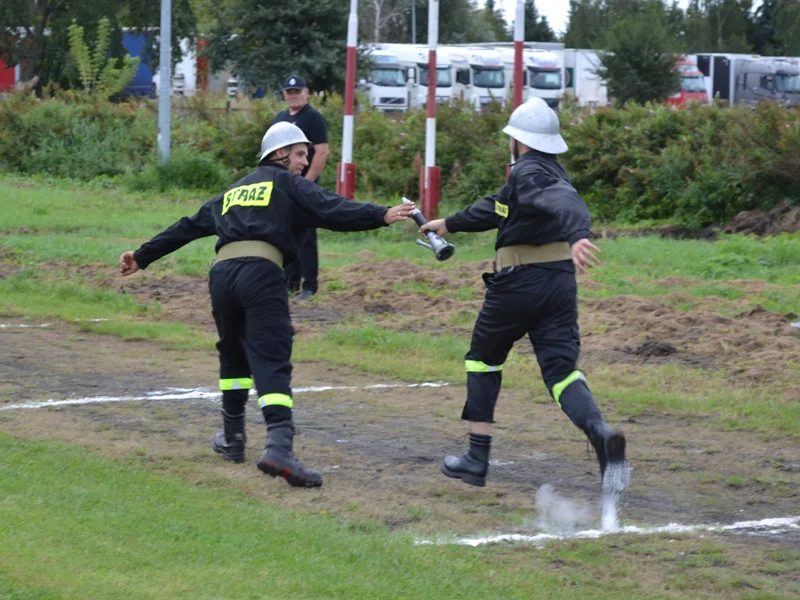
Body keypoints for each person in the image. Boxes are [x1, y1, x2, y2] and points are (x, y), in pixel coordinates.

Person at [119, 122, 415, 488]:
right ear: (279, 154)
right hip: (261, 273)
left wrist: (143, 257)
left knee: (233, 354)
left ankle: (232, 438)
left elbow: (187, 226)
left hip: (222, 276)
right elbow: (333, 208)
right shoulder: (288, 184)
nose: (305, 163)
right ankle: (279, 446)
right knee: (271, 356)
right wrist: (381, 215)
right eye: (301, 154)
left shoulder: (233, 191)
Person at [420, 98, 627, 490]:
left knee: (483, 359)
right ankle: (599, 432)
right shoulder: (548, 171)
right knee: (562, 371)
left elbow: (566, 203)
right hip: (559, 282)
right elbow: (496, 209)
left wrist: (580, 235)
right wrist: (449, 224)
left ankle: (476, 458)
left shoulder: (529, 171)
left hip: (519, 282)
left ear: (518, 140)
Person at [270, 75, 329, 301]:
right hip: (283, 184)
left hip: (304, 184)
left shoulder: (313, 118)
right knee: (285, 231)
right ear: (284, 94)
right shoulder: (281, 118)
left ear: (306, 93)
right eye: (289, 92)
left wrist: (307, 181)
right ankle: (289, 282)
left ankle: (309, 285)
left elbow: (322, 151)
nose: (293, 96)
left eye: (297, 91)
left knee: (306, 234)